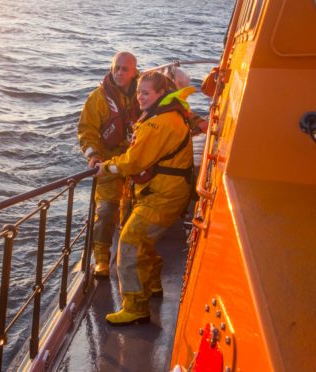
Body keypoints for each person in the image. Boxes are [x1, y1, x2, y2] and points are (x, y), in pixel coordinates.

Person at [96, 70, 194, 326]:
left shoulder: (158, 123)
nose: (139, 97)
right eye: (138, 91)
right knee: (144, 241)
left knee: (130, 241)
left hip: (164, 195)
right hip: (166, 191)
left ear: (161, 93)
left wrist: (106, 168)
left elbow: (134, 161)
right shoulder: (168, 114)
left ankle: (136, 307)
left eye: (146, 92)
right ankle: (151, 286)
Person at [78, 51, 140, 277]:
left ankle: (130, 255)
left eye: (125, 69)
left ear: (134, 72)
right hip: (108, 164)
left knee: (134, 210)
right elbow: (87, 130)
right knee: (104, 211)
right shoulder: (98, 98)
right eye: (116, 68)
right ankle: (102, 259)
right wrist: (93, 156)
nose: (119, 73)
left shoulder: (143, 93)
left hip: (136, 161)